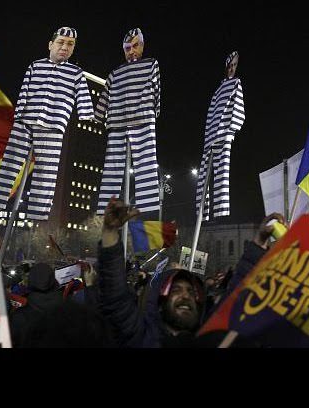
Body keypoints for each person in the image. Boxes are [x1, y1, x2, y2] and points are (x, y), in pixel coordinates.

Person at [0, 27, 94, 220]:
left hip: (53, 127)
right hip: (26, 122)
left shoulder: (76, 73)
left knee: (47, 172)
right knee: (11, 162)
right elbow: (25, 91)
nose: (65, 47)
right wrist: (19, 115)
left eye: (70, 44)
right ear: (50, 45)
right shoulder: (35, 66)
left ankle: (37, 213)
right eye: (61, 42)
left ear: (73, 49)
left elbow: (84, 97)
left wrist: (86, 114)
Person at [98, 198, 205, 347]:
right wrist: (109, 232)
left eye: (191, 292)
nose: (186, 295)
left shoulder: (213, 340)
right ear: (160, 302)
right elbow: (114, 294)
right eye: (175, 289)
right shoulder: (140, 336)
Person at [95, 28, 161, 215]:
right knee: (114, 166)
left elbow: (156, 89)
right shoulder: (115, 73)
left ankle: (144, 209)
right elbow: (105, 96)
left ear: (142, 45)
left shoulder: (150, 64)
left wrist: (154, 111)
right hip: (125, 121)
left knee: (144, 162)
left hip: (135, 120)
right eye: (127, 48)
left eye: (135, 46)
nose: (131, 51)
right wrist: (155, 110)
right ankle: (109, 209)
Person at [195, 51, 245, 219]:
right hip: (212, 136)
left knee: (221, 172)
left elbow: (239, 108)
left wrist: (232, 128)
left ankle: (219, 210)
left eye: (234, 66)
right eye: (230, 65)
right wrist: (209, 136)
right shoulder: (218, 91)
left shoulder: (236, 83)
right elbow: (211, 114)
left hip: (223, 134)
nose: (231, 68)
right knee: (205, 174)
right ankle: (203, 211)